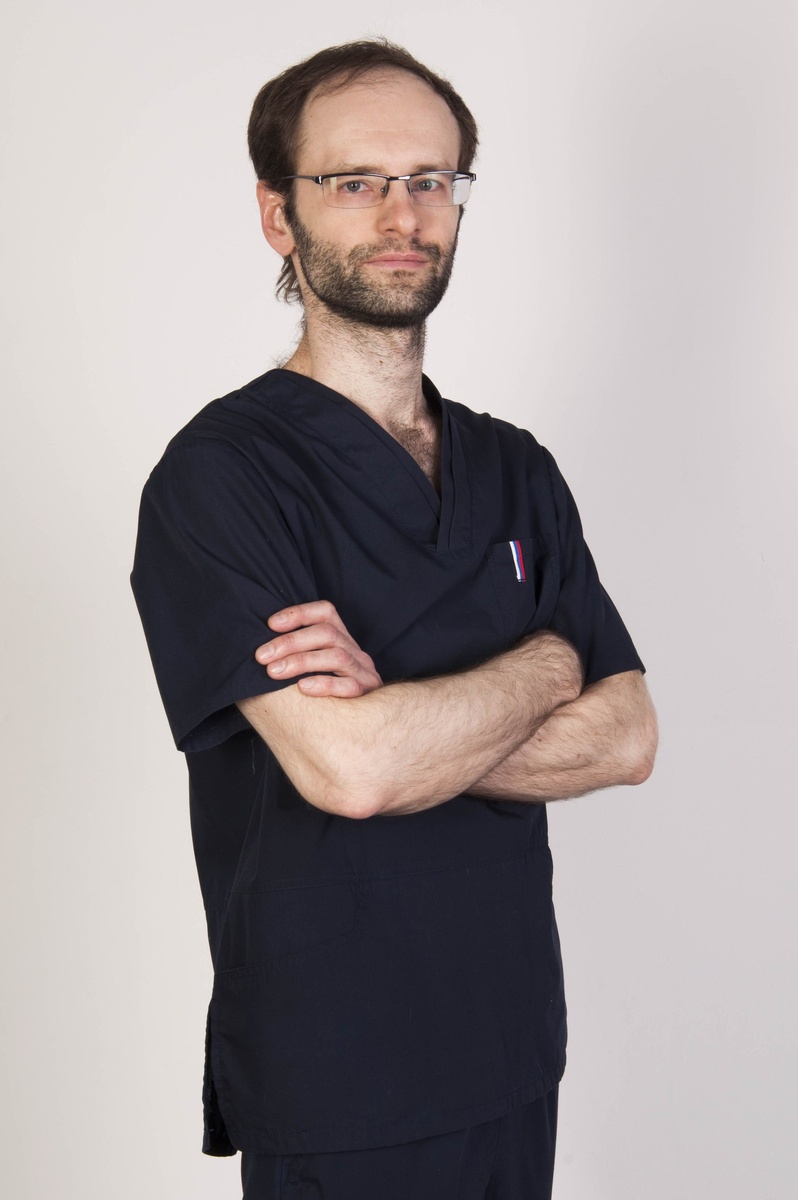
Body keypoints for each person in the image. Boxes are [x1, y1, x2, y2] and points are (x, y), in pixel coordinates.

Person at [131, 38, 657, 1200]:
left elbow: (627, 737)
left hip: (512, 1050)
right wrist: (546, 667)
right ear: (279, 216)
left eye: (430, 179)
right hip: (341, 1078)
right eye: (354, 181)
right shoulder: (222, 477)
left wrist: (405, 720)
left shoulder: (516, 469)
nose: (402, 214)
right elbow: (355, 772)